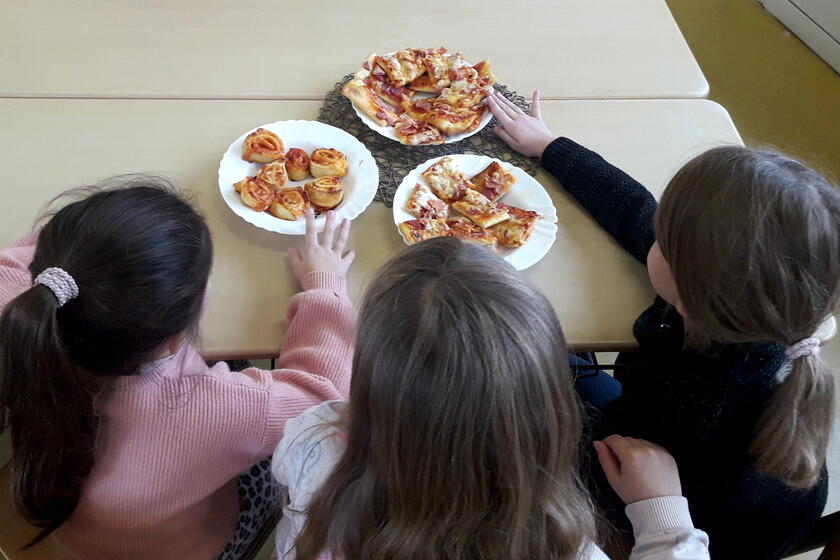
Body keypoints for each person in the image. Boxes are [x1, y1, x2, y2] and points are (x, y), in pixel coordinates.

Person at [487, 90, 840, 559]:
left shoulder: (694, 407)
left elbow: (607, 460)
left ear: (689, 288)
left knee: (503, 381)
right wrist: (551, 146)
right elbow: (633, 210)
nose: (653, 233)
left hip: (649, 513)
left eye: (666, 240)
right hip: (676, 469)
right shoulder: (754, 305)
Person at [271, 238, 710, 560]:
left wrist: (325, 293)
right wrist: (663, 519)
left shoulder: (313, 439)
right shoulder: (564, 546)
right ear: (549, 408)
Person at [0, 176, 356, 560]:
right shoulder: (223, 408)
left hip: (75, 533)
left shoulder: (21, 314)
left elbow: (21, 261)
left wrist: (95, 242)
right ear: (178, 331)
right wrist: (325, 287)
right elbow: (323, 394)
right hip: (187, 547)